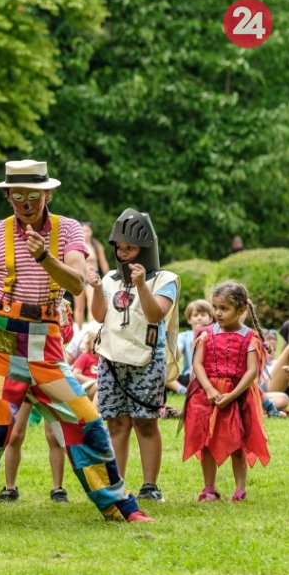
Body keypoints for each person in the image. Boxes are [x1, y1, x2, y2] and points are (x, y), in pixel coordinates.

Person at [0, 159, 151, 525]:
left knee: (85, 418)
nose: (26, 203)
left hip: (45, 338)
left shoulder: (67, 229)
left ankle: (119, 505)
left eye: (34, 196)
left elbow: (76, 284)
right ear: (8, 196)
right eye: (18, 196)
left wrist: (44, 256)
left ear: (47, 195)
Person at [88, 208, 179, 503]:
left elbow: (155, 314)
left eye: (131, 248)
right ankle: (118, 484)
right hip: (111, 360)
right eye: (120, 247)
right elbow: (99, 315)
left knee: (145, 422)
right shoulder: (110, 279)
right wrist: (95, 289)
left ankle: (150, 485)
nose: (124, 254)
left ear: (146, 249)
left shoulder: (165, 279)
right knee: (116, 423)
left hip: (145, 361)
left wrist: (140, 285)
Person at [182, 281, 270, 502]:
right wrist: (210, 390)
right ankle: (209, 488)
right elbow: (197, 364)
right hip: (207, 396)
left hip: (238, 397)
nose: (218, 313)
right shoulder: (205, 334)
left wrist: (232, 395)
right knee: (207, 441)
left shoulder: (250, 338)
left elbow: (252, 371)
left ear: (241, 310)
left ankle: (240, 489)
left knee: (238, 442)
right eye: (215, 307)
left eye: (224, 308)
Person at [168, 299, 213, 396]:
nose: (199, 318)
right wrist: (171, 338)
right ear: (189, 320)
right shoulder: (184, 336)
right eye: (195, 315)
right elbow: (176, 357)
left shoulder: (215, 336)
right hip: (188, 377)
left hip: (208, 376)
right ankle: (184, 391)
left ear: (210, 318)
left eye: (203, 315)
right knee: (164, 373)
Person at [74, 222, 111, 326]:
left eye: (87, 231)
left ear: (91, 232)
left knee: (92, 304)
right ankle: (80, 331)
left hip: (92, 278)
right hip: (79, 278)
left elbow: (103, 263)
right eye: (83, 231)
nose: (85, 233)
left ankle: (91, 330)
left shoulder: (97, 246)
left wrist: (108, 276)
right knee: (79, 307)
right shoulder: (76, 245)